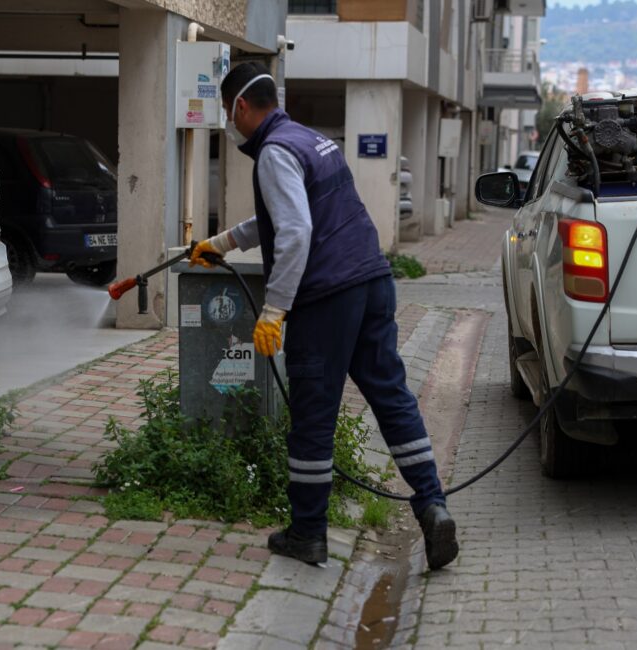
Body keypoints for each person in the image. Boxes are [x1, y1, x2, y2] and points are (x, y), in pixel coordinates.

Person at [189, 63, 458, 570]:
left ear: (240, 107)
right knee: (392, 397)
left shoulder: (273, 152)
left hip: (327, 296)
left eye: (228, 113)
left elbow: (294, 233)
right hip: (372, 282)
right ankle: (432, 504)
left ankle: (308, 534)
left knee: (313, 414)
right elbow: (282, 215)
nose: (230, 121)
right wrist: (223, 242)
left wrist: (274, 310)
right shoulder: (310, 139)